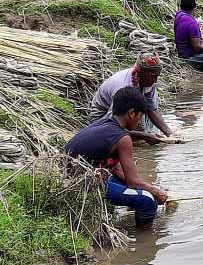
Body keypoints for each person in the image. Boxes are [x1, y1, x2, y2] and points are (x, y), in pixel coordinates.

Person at [67, 86, 168, 228]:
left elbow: (118, 170)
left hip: (71, 177)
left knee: (141, 190)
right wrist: (155, 191)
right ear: (132, 113)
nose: (140, 122)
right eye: (140, 116)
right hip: (80, 185)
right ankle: (145, 240)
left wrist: (148, 186)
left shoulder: (105, 124)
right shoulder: (123, 138)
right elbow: (133, 182)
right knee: (147, 200)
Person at [89, 54, 172, 144]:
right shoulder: (123, 88)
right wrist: (143, 136)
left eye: (157, 77)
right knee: (122, 141)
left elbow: (151, 110)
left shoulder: (149, 82)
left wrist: (170, 134)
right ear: (142, 73)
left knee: (142, 141)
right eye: (153, 76)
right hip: (102, 120)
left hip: (125, 115)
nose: (155, 81)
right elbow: (111, 126)